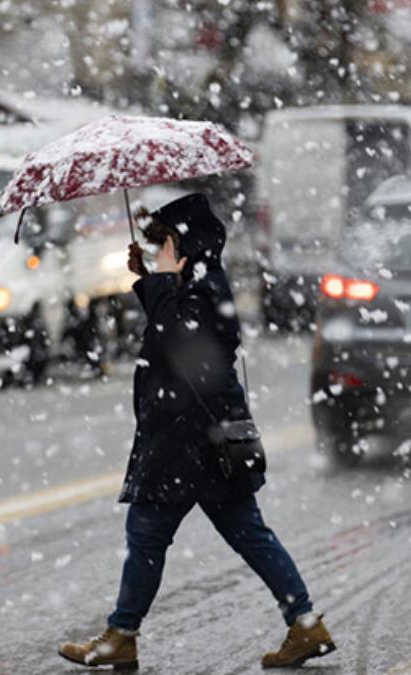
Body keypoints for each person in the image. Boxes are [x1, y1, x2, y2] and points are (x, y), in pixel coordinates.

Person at [57, 194, 335, 670]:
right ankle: (305, 625)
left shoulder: (206, 289)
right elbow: (174, 329)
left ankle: (122, 635)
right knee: (246, 533)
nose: (159, 250)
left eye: (164, 242)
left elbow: (176, 342)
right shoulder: (200, 283)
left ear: (184, 243)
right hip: (200, 438)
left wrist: (161, 281)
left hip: (188, 442)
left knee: (147, 534)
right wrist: (150, 279)